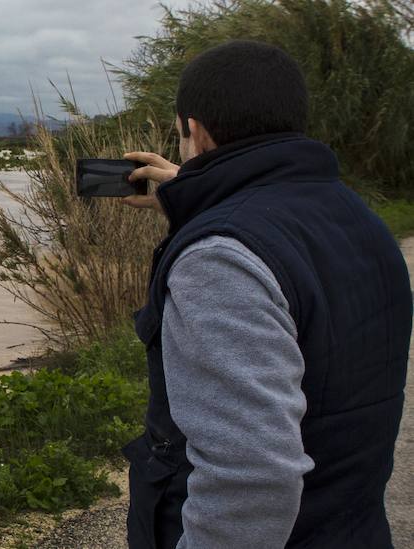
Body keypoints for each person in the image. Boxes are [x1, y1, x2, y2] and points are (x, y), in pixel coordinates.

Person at [118, 39, 412, 549]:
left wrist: (210, 215)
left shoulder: (218, 258)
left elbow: (251, 478)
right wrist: (192, 196)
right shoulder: (357, 219)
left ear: (195, 131)